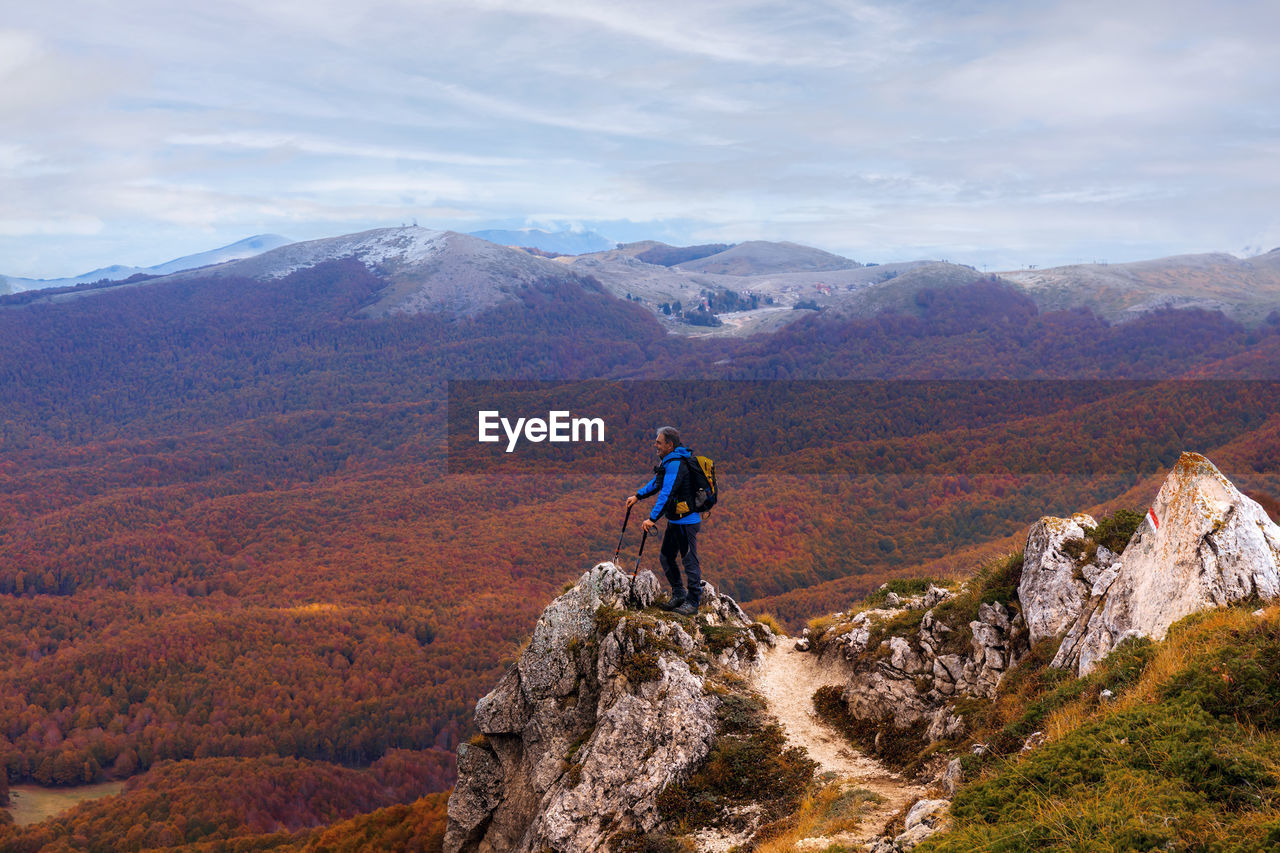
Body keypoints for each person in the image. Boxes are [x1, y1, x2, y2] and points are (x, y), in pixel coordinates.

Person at [625, 426, 703, 615]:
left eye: (659, 442)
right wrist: (637, 496)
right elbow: (657, 483)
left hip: (687, 522)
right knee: (666, 557)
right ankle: (679, 594)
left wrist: (652, 518)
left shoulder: (676, 464)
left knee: (689, 560)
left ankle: (693, 602)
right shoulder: (668, 462)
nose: (655, 445)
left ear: (670, 444)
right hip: (676, 521)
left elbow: (666, 493)